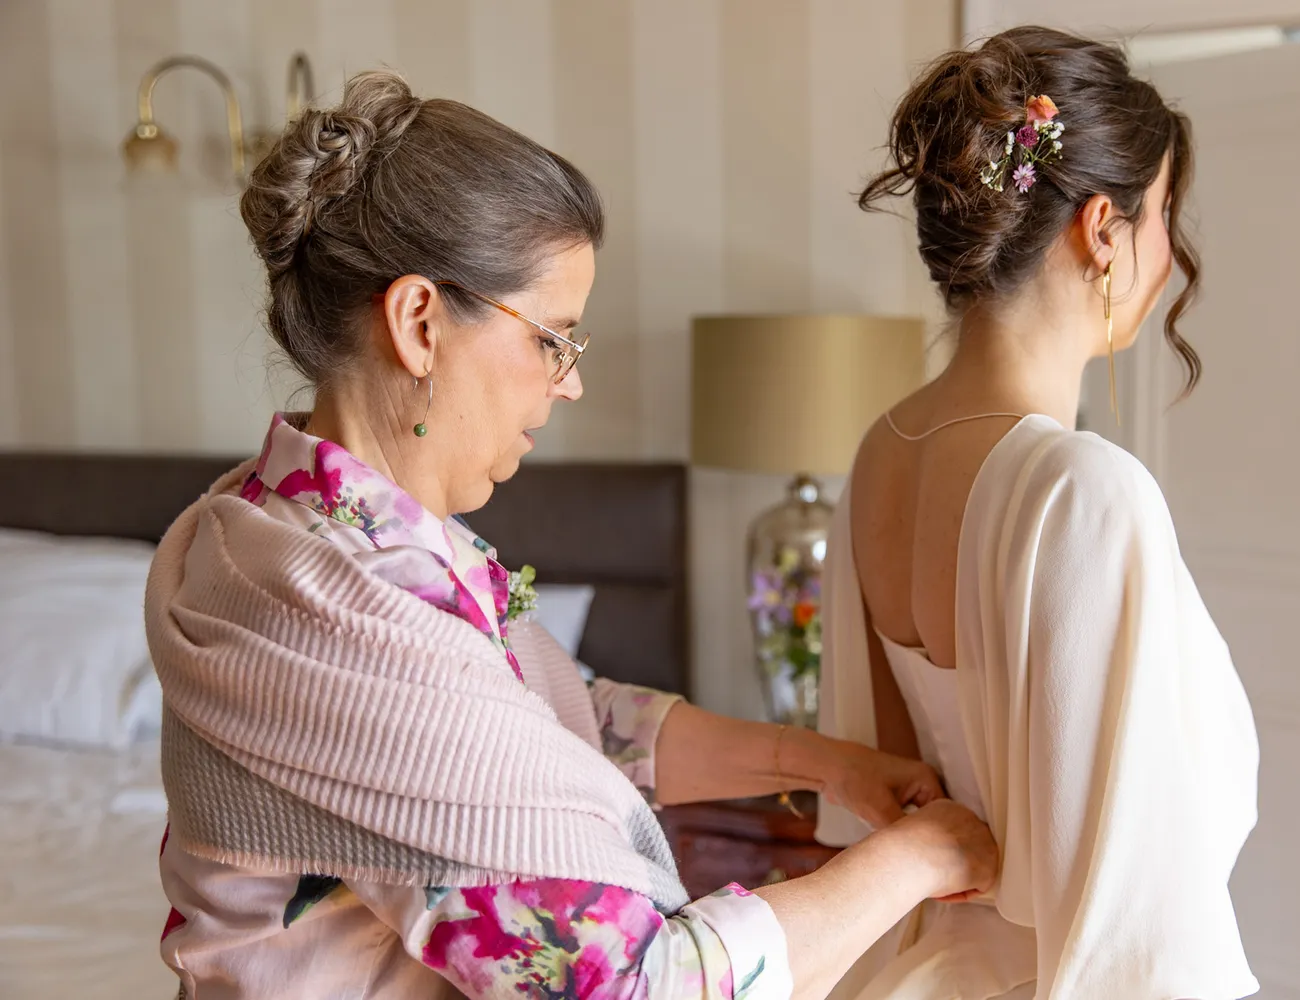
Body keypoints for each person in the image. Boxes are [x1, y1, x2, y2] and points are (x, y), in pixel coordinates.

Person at [145, 71, 998, 1000]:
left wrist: (827, 764)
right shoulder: (340, 612)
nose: (569, 382)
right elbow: (632, 985)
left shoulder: (276, 523)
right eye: (551, 338)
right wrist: (918, 858)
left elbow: (564, 725)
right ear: (420, 322)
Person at [815, 26, 1261, 1000]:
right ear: (1102, 228)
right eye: (1162, 216)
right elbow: (1137, 929)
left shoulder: (880, 454)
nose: (1168, 257)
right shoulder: (1083, 489)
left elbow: (881, 794)